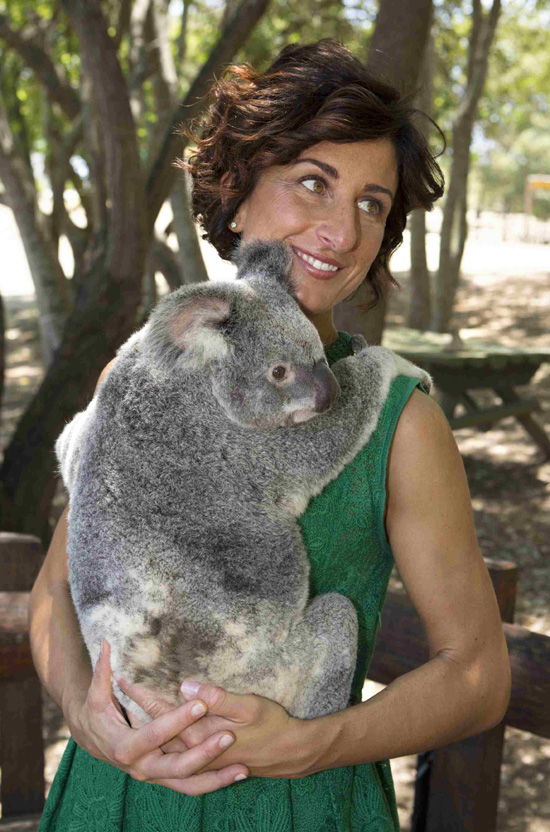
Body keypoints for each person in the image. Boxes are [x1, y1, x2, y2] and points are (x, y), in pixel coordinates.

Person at [31, 39, 511, 831]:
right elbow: (56, 592)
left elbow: (479, 675)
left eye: (372, 204)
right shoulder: (142, 371)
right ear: (240, 194)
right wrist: (89, 720)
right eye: (312, 184)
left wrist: (314, 744)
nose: (342, 229)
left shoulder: (400, 418)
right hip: (113, 796)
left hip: (299, 804)